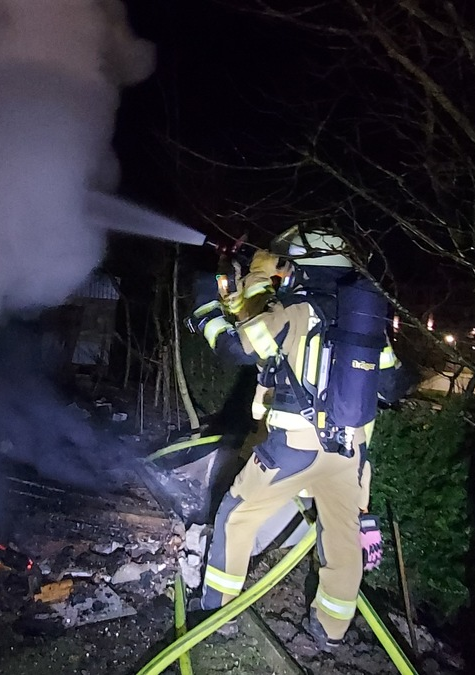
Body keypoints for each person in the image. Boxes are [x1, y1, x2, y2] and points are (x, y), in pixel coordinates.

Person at [188, 227, 410, 649]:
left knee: (237, 516)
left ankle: (217, 610)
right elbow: (394, 386)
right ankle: (330, 630)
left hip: (295, 448)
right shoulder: (364, 321)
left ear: (302, 269)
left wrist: (204, 308)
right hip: (350, 457)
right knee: (342, 539)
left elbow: (237, 348)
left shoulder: (296, 310)